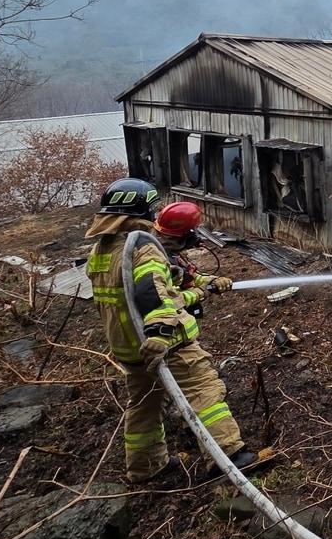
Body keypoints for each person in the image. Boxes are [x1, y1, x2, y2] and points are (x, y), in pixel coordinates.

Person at [84, 179, 258, 483]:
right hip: (166, 343)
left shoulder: (102, 248)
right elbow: (150, 291)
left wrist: (201, 281)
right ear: (140, 209)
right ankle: (227, 456)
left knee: (144, 405)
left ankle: (145, 468)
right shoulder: (141, 244)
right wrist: (160, 333)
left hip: (128, 347)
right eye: (151, 207)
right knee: (203, 390)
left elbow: (158, 279)